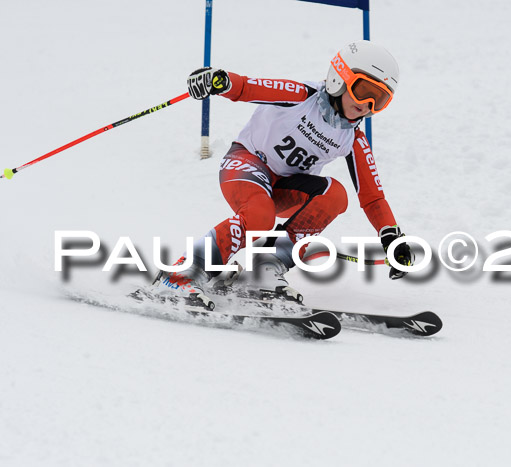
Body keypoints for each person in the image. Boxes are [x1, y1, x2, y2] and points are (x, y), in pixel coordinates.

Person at [147, 40, 414, 311]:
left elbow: (372, 197)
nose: (367, 105)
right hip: (246, 164)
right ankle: (180, 275)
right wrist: (220, 81)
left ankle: (261, 269)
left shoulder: (353, 139)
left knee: (335, 195)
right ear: (339, 78)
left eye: (379, 100)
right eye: (363, 91)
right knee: (260, 216)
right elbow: (247, 88)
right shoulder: (302, 95)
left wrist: (391, 238)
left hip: (284, 190)